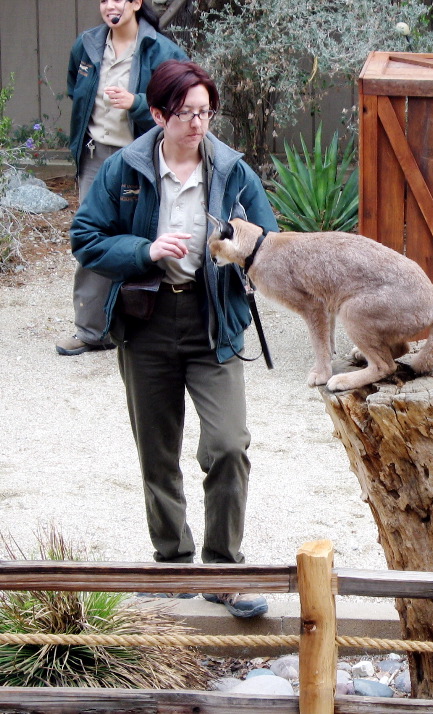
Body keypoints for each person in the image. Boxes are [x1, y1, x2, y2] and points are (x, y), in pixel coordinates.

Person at [71, 59, 279, 618]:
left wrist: (238, 250)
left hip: (214, 323)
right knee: (158, 455)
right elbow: (85, 236)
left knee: (230, 445)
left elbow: (270, 241)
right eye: (186, 113)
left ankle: (223, 570)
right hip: (147, 324)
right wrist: (143, 251)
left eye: (206, 112)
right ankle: (172, 566)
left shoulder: (234, 171)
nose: (198, 123)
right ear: (159, 113)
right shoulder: (126, 168)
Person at [56, 0, 188, 356]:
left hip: (141, 156)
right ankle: (91, 330)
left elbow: (181, 103)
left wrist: (137, 103)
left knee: (148, 235)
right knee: (94, 237)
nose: (110, 5)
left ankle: (149, 323)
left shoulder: (163, 50)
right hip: (95, 155)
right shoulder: (86, 45)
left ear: (135, 3)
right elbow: (75, 90)